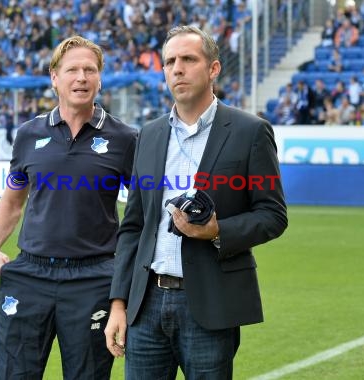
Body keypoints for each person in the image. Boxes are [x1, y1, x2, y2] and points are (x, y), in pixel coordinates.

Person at [104, 25, 288, 379]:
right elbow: (133, 227)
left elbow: (273, 215)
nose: (178, 68)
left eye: (189, 59)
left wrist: (218, 231)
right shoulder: (149, 134)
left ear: (213, 68)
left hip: (209, 302)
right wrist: (118, 302)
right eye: (170, 61)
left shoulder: (250, 131)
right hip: (146, 304)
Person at [0, 35, 137, 379]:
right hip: (29, 276)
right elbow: (12, 200)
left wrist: (123, 288)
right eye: (72, 70)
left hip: (93, 279)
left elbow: (141, 212)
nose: (81, 77)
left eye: (90, 70)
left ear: (99, 78)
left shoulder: (125, 139)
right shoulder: (27, 134)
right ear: (55, 77)